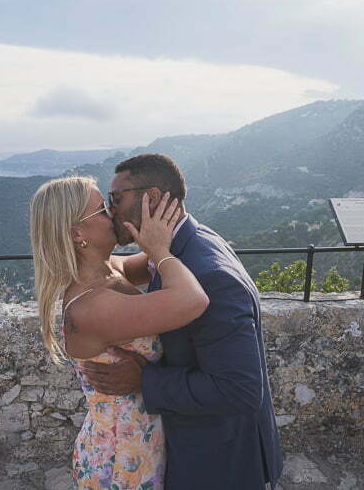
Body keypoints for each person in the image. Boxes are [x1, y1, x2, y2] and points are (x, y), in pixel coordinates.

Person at [80, 154, 283, 490]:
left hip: (219, 462)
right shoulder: (184, 244)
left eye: (116, 199)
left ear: (153, 198)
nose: (112, 210)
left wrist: (145, 380)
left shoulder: (209, 274)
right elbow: (113, 266)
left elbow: (240, 389)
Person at [29, 176, 209, 489]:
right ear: (77, 233)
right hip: (119, 460)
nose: (113, 213)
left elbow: (156, 260)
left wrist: (156, 223)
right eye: (102, 210)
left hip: (137, 442)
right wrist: (159, 249)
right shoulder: (91, 307)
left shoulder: (111, 269)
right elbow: (192, 300)